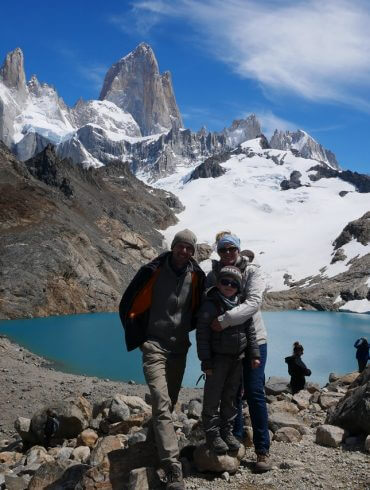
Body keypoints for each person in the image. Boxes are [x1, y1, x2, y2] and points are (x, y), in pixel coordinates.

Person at [119, 229, 205, 490]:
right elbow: (128, 302)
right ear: (173, 246)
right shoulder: (153, 270)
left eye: (189, 248)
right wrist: (140, 337)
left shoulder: (196, 276)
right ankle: (172, 466)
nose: (184, 251)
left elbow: (200, 309)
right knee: (160, 398)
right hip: (154, 346)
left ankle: (156, 441)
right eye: (181, 246)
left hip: (179, 348)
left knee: (169, 402)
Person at [206, 232, 271, 473]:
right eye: (223, 250)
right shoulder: (212, 275)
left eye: (232, 249)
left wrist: (224, 320)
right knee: (231, 394)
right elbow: (205, 305)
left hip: (255, 341)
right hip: (226, 345)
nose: (227, 254)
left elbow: (254, 302)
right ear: (218, 252)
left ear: (238, 249)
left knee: (254, 392)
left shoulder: (252, 271)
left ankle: (262, 449)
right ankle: (236, 439)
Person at [196, 266, 261, 454]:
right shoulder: (210, 304)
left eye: (234, 283)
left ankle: (227, 432)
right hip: (217, 360)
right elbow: (202, 335)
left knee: (231, 397)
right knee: (212, 398)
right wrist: (206, 361)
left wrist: (254, 354)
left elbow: (250, 331)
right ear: (218, 283)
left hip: (237, 359)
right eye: (225, 282)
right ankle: (212, 434)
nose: (229, 286)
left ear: (238, 287)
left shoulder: (241, 306)